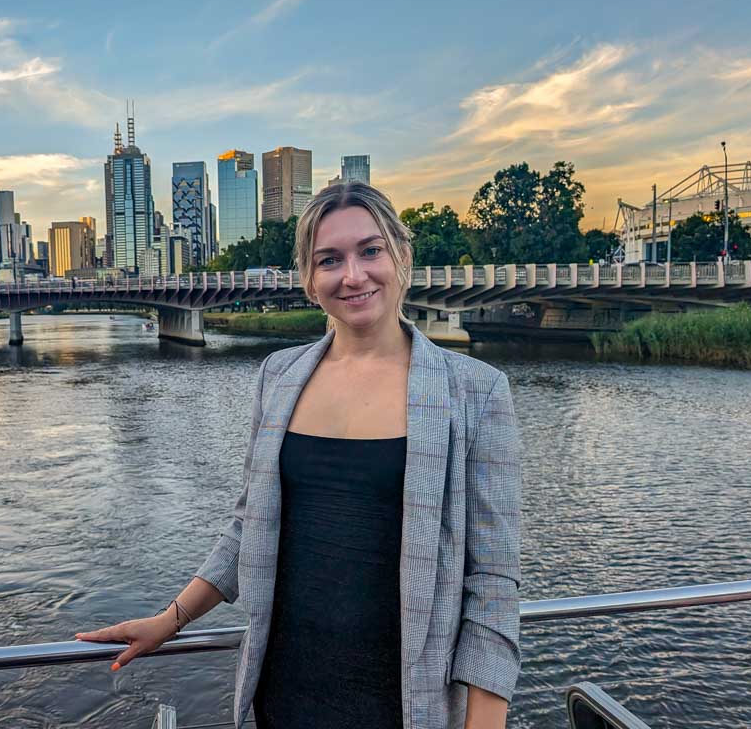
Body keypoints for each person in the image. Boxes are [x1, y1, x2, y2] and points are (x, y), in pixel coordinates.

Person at [77, 182, 522, 729]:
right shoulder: (280, 375)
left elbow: (493, 582)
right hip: (284, 695)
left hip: (404, 706)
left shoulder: (474, 391)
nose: (353, 275)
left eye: (371, 251)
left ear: (402, 256)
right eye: (329, 260)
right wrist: (170, 620)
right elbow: (250, 527)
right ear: (310, 282)